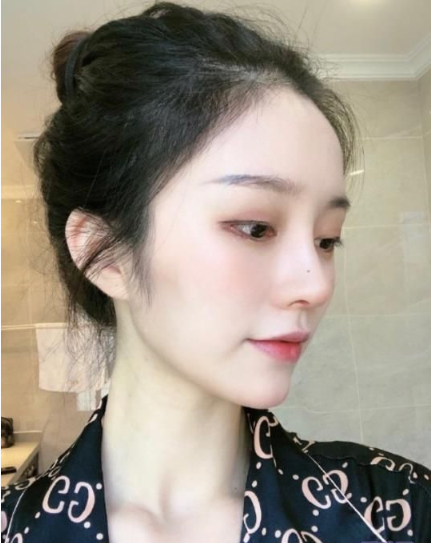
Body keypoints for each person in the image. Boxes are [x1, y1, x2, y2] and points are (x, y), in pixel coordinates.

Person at [2, 2, 430, 542]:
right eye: (255, 227)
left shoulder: (396, 511)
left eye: (326, 239)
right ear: (103, 253)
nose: (318, 284)